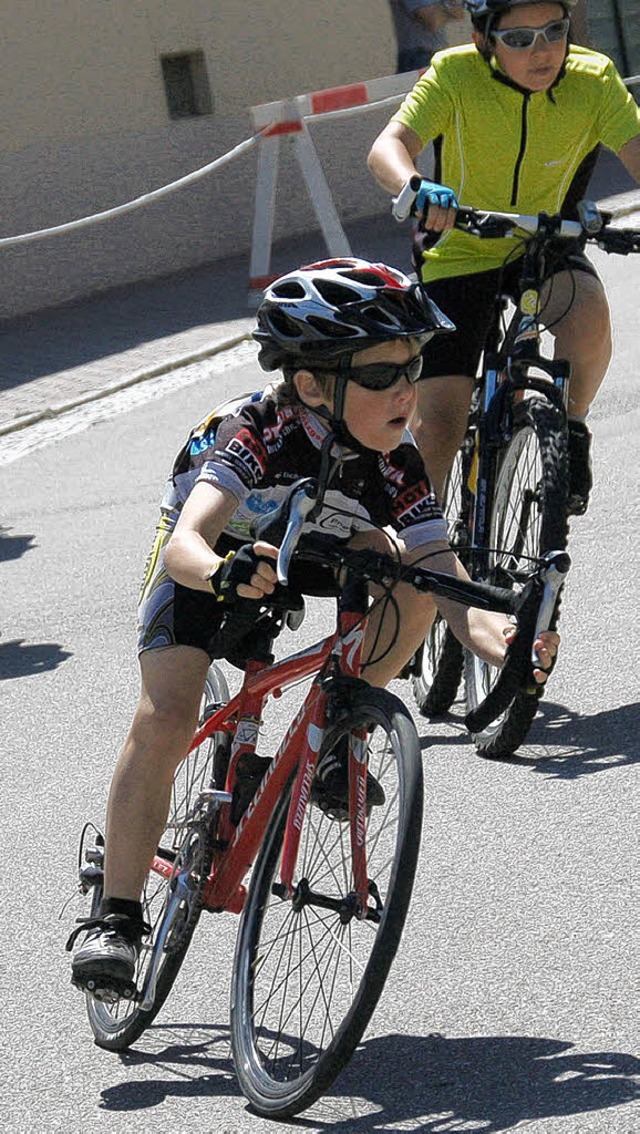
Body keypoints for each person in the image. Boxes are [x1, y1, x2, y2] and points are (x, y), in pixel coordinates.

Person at [67, 258, 558, 997]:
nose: (406, 391)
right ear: (310, 385)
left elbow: (446, 575)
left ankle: (340, 730)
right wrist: (222, 572)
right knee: (167, 714)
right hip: (217, 562)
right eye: (382, 375)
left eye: (413, 368)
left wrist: (508, 648)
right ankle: (117, 916)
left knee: (404, 569)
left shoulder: (399, 463)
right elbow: (186, 541)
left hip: (315, 552)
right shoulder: (256, 430)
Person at [368, 0, 640, 510]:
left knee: (587, 315)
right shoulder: (454, 75)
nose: (543, 51)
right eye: (519, 39)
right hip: (460, 252)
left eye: (554, 31)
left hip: (544, 243)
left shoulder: (594, 79)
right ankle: (425, 554)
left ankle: (571, 429)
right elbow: (388, 146)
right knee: (441, 429)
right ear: (483, 41)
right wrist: (416, 187)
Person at [388, 0, 464, 73]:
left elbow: (459, 13)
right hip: (418, 56)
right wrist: (447, 8)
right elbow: (433, 20)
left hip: (434, 52)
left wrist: (443, 9)